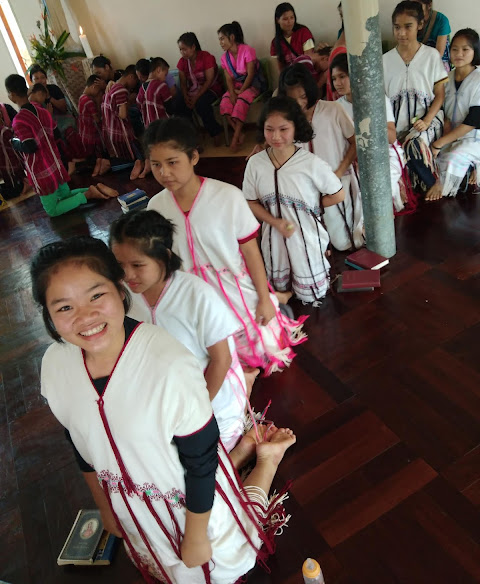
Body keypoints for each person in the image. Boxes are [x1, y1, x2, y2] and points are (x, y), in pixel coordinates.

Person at [32, 235, 296, 583]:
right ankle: (248, 451)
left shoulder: (168, 364)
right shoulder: (55, 364)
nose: (86, 316)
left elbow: (200, 457)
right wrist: (103, 503)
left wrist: (197, 535)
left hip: (196, 504)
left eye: (97, 295)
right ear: (49, 316)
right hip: (134, 508)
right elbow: (77, 436)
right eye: (64, 307)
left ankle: (267, 459)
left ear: (120, 290)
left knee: (224, 557)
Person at [146, 117, 307, 376]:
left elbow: (250, 252)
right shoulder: (156, 207)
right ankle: (280, 301)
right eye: (156, 165)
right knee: (213, 358)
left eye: (172, 162)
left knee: (260, 354)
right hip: (193, 296)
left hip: (235, 291)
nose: (164, 173)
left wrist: (263, 299)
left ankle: (276, 302)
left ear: (194, 157)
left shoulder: (227, 196)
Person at [109, 209, 249, 451]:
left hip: (212, 400)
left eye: (137, 264)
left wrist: (198, 409)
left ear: (164, 256)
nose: (127, 274)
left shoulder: (196, 294)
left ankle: (246, 443)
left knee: (208, 469)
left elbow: (221, 359)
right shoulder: (124, 296)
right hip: (167, 399)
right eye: (120, 264)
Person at [243, 96, 344, 305]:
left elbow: (338, 193)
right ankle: (287, 294)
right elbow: (250, 202)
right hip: (273, 237)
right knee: (278, 273)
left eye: (283, 129)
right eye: (269, 129)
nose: (276, 136)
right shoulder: (255, 163)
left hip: (306, 233)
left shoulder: (311, 163)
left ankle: (295, 294)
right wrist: (275, 222)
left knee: (311, 289)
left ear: (296, 127)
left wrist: (310, 208)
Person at [278, 64, 363, 251]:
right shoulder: (286, 119)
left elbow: (355, 142)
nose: (299, 103)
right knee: (313, 245)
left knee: (345, 244)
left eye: (303, 96)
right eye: (293, 99)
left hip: (338, 182)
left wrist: (338, 173)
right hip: (305, 189)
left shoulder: (333, 110)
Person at [5, 74, 117, 216]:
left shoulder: (19, 120)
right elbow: (56, 134)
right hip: (56, 164)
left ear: (12, 95)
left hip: (42, 170)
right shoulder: (43, 111)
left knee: (52, 210)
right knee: (65, 196)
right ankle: (94, 189)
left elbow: (29, 147)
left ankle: (87, 194)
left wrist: (14, 142)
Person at [383, 1, 448, 200]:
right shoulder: (384, 60)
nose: (401, 33)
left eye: (407, 26)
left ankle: (434, 182)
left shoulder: (431, 56)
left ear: (420, 25)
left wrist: (428, 120)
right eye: (397, 27)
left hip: (427, 119)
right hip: (396, 123)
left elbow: (440, 94)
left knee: (413, 145)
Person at [330, 52, 411, 213]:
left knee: (378, 184)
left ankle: (381, 220)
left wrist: (368, 120)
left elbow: (391, 137)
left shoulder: (377, 99)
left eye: (342, 76)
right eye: (334, 79)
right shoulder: (336, 107)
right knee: (353, 187)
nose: (338, 83)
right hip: (353, 156)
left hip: (383, 152)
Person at [429, 28, 480, 198]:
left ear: (475, 52)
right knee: (431, 159)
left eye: (465, 49)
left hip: (475, 137)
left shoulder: (479, 79)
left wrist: (440, 143)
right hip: (452, 135)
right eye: (455, 49)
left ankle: (444, 187)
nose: (459, 54)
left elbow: (473, 120)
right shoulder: (446, 78)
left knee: (453, 158)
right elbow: (444, 112)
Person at [29, 64, 86, 172]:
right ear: (32, 81)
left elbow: (64, 108)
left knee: (69, 130)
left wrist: (49, 98)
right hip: (46, 123)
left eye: (42, 77)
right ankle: (67, 163)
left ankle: (80, 159)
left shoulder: (53, 89)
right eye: (36, 78)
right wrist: (48, 116)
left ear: (46, 78)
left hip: (62, 118)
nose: (40, 81)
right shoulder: (31, 95)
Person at [218, 21, 265, 152]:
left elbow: (250, 74)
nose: (220, 42)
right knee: (225, 103)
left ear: (232, 37)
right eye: (219, 40)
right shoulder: (224, 58)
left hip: (252, 85)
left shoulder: (247, 50)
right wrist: (232, 93)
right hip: (236, 87)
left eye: (222, 39)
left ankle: (235, 138)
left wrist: (241, 91)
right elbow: (228, 78)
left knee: (241, 102)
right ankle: (240, 133)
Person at [175, 32, 224, 144]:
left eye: (185, 49)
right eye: (180, 50)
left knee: (202, 103)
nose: (182, 52)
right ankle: (192, 136)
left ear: (193, 47)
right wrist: (186, 96)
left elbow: (209, 81)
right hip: (192, 90)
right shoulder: (182, 62)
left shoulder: (206, 57)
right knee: (179, 104)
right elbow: (182, 82)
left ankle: (215, 132)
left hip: (211, 89)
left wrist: (195, 98)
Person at [101, 65, 145, 180]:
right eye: (136, 81)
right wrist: (129, 102)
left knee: (125, 157)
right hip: (121, 131)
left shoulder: (113, 86)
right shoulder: (121, 90)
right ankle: (138, 162)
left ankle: (108, 163)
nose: (134, 85)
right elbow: (123, 114)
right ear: (131, 77)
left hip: (110, 129)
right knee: (138, 155)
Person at [408, 0, 451, 72]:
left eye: (418, 6)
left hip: (436, 63)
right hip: (416, 61)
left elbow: (438, 54)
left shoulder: (441, 20)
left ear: (429, 5)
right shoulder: (409, 20)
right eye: (411, 5)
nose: (414, 9)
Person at [78, 75, 109, 176]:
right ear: (94, 87)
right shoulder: (89, 101)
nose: (99, 93)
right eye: (99, 91)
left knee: (93, 157)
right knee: (98, 156)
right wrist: (98, 102)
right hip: (91, 135)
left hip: (84, 133)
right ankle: (99, 167)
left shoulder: (81, 98)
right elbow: (97, 119)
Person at [270, 3, 315, 72]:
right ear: (277, 20)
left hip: (305, 74)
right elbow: (281, 70)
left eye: (292, 17)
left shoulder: (303, 33)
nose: (289, 22)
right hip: (290, 78)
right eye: (285, 19)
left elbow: (308, 61)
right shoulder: (275, 43)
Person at [0, 102, 28, 198]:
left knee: (13, 191)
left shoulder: (6, 109)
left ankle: (24, 180)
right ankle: (23, 181)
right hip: (6, 164)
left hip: (13, 156)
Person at [136, 57, 174, 127]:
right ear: (158, 70)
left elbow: (139, 105)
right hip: (163, 125)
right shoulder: (161, 86)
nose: (165, 78)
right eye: (165, 74)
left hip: (149, 127)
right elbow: (170, 108)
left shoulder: (141, 89)